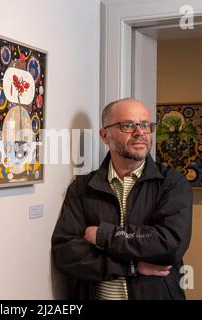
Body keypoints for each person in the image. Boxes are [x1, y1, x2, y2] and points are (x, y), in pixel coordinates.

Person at [52, 98, 193, 300]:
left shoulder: (171, 183)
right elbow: (66, 252)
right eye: (127, 125)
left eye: (146, 125)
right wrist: (131, 266)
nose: (140, 132)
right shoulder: (82, 187)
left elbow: (170, 244)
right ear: (104, 135)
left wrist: (103, 235)